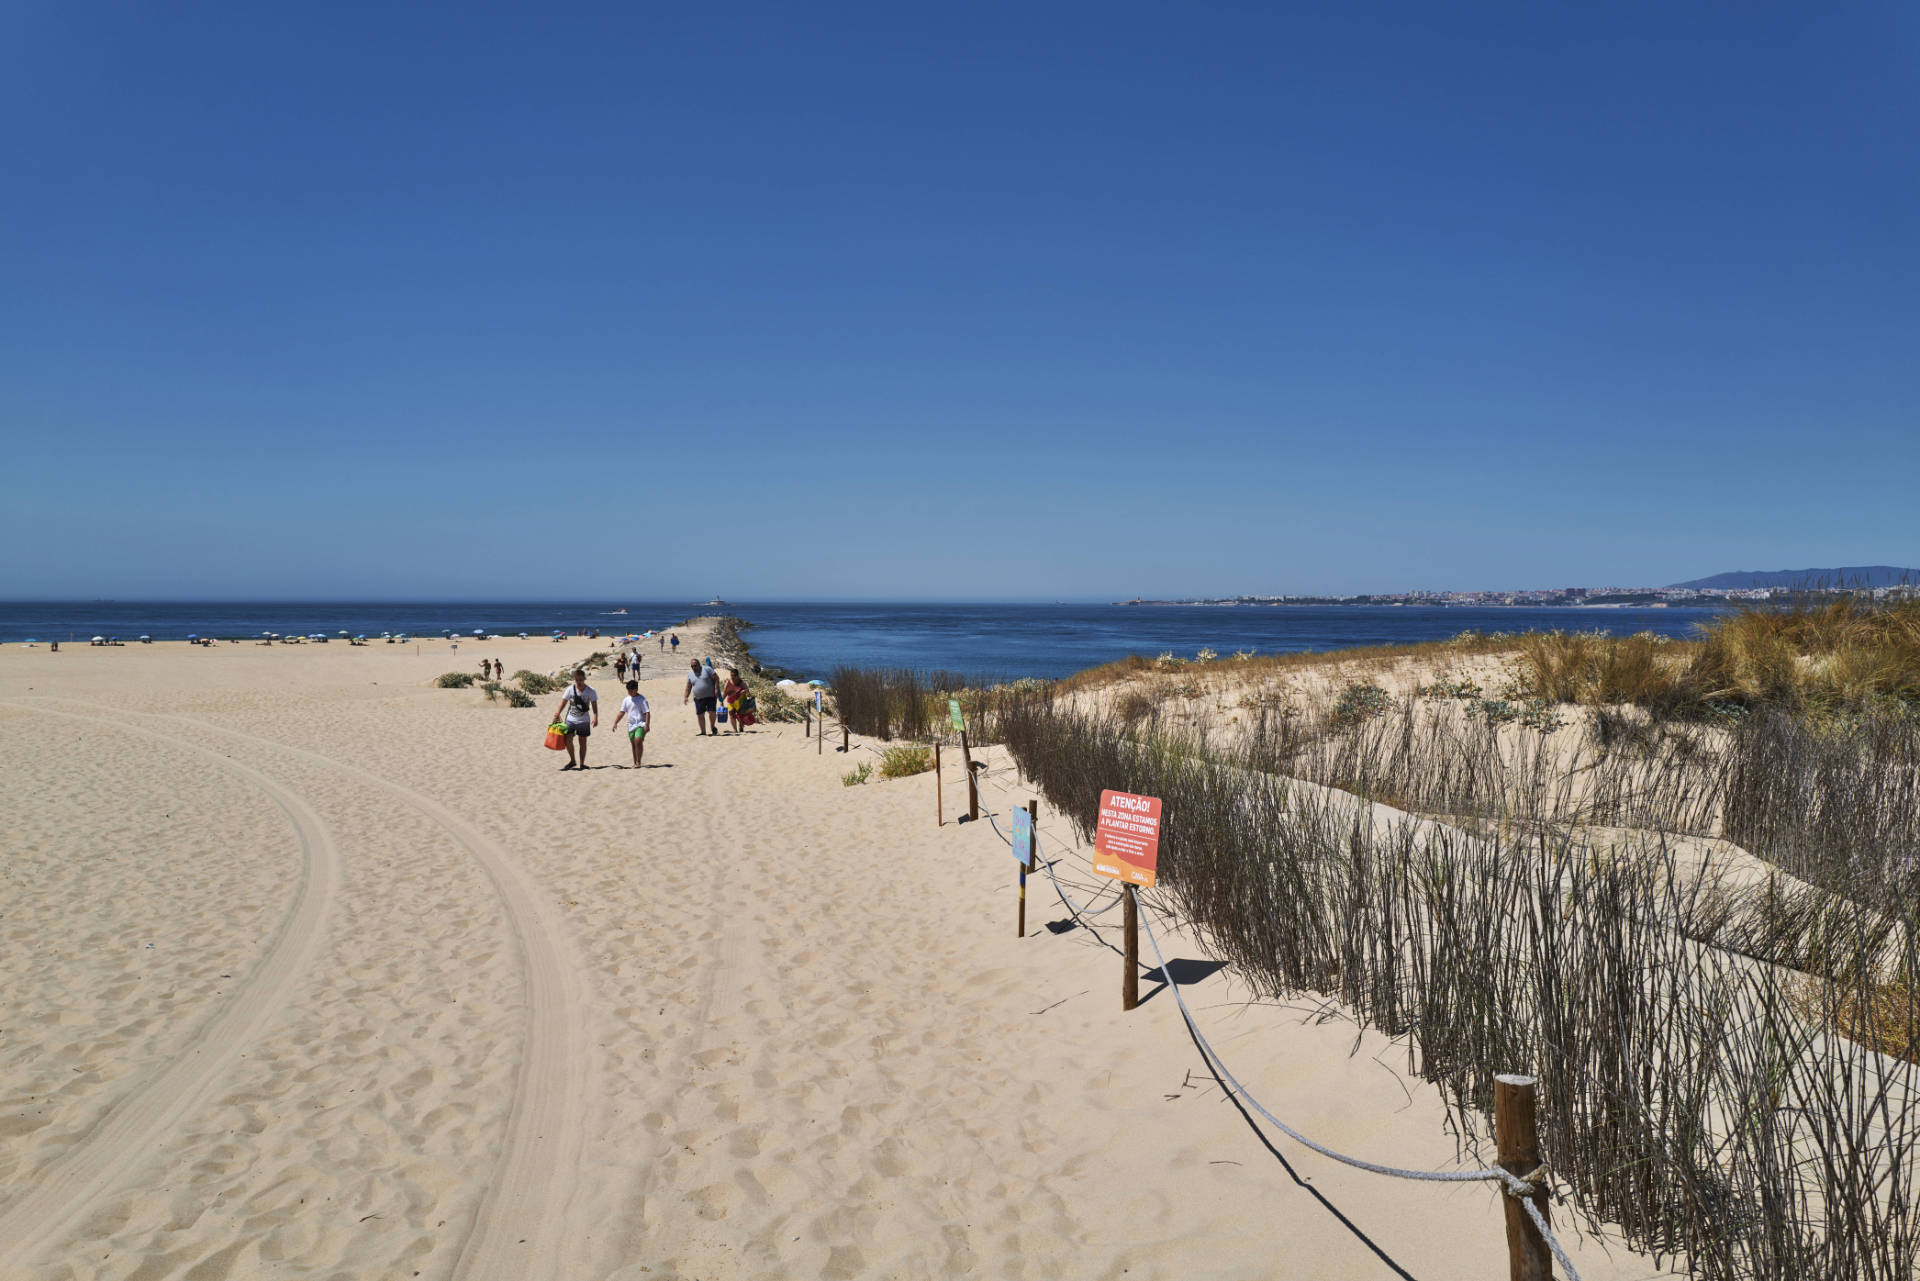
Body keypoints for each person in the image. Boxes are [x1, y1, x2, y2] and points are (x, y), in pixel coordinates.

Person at [552, 668, 599, 769]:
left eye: (581, 680)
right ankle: (572, 761)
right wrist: (557, 714)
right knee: (567, 739)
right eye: (577, 680)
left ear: (584, 679)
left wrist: (595, 717)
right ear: (574, 679)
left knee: (582, 742)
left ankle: (582, 764)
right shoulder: (570, 689)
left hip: (584, 720)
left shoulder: (591, 690)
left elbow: (594, 704)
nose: (579, 682)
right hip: (570, 719)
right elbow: (563, 703)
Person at [618, 679, 651, 767]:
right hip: (631, 725)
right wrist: (615, 722)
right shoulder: (626, 700)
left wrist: (647, 724)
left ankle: (639, 762)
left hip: (641, 724)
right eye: (629, 691)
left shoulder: (642, 699)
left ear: (636, 689)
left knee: (638, 741)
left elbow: (647, 712)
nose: (630, 692)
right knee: (633, 744)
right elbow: (622, 712)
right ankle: (635, 762)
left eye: (632, 690)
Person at [683, 658, 720, 735]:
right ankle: (703, 732)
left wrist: (716, 689)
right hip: (698, 698)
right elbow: (688, 687)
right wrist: (686, 697)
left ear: (699, 664)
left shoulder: (707, 669)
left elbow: (716, 678)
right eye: (692, 666)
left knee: (712, 712)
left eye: (695, 666)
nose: (693, 668)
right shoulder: (690, 674)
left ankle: (712, 727)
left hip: (710, 696)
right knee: (700, 715)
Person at [721, 669, 748, 735]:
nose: (732, 677)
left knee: (740, 716)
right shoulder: (728, 682)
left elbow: (748, 691)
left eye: (734, 675)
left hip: (740, 702)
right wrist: (722, 701)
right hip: (731, 701)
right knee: (731, 716)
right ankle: (735, 730)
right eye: (731, 675)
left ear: (737, 675)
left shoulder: (741, 683)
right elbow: (725, 692)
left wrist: (744, 691)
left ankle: (741, 726)